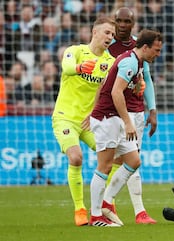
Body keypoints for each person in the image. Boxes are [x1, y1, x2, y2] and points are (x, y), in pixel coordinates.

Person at [89, 28, 163, 227]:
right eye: (156, 50)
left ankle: (106, 203)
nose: (158, 54)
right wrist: (128, 122)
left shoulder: (136, 62)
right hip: (107, 118)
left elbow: (116, 86)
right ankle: (96, 216)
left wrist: (136, 88)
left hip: (114, 119)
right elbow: (115, 92)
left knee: (133, 160)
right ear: (145, 47)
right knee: (104, 166)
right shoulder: (130, 61)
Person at [51, 16, 116, 226]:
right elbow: (68, 67)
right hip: (65, 118)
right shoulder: (76, 51)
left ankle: (106, 203)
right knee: (76, 157)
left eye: (113, 35)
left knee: (113, 157)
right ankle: (80, 209)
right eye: (107, 32)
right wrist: (80, 68)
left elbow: (113, 89)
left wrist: (136, 86)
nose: (110, 37)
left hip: (89, 121)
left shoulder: (110, 62)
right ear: (94, 32)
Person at [106, 7, 157, 224]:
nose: (123, 25)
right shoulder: (107, 46)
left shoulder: (139, 45)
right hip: (110, 111)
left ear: (133, 24)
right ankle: (103, 206)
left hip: (135, 112)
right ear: (115, 22)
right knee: (114, 161)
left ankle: (138, 211)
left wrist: (152, 109)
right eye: (120, 21)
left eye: (127, 21)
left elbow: (146, 77)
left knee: (132, 159)